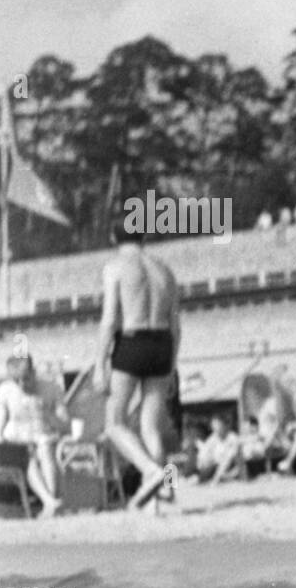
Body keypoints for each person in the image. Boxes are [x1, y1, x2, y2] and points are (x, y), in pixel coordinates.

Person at [93, 218, 181, 509]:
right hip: (162, 344)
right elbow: (176, 325)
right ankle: (167, 491)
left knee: (115, 422)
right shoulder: (164, 270)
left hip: (132, 342)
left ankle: (152, 471)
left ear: (112, 237)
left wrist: (99, 364)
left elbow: (108, 320)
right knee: (151, 427)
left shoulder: (115, 267)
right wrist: (171, 364)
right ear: (143, 237)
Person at [0, 355, 67, 515]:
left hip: (43, 438)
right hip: (16, 442)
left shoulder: (51, 388)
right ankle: (50, 502)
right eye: (16, 380)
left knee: (45, 450)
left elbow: (65, 423)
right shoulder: (5, 390)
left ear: (33, 372)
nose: (21, 384)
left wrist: (46, 414)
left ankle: (50, 503)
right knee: (28, 457)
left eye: (26, 379)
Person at [195, 415, 241, 484]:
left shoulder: (232, 437)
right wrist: (202, 461)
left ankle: (218, 478)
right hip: (216, 466)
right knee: (204, 455)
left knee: (229, 455)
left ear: (223, 425)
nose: (215, 428)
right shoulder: (213, 438)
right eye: (213, 425)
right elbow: (205, 451)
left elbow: (232, 456)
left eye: (217, 425)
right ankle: (215, 477)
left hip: (231, 466)